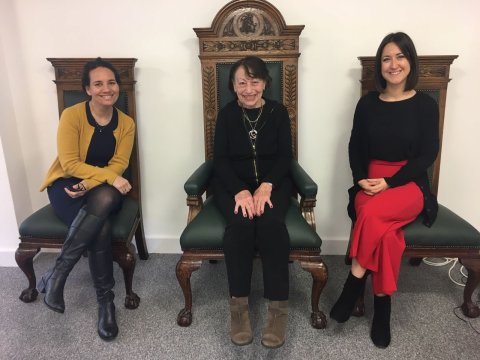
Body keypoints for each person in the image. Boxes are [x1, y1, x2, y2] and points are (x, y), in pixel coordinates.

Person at [330, 32, 439, 348]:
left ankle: (353, 282)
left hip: (408, 184)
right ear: (380, 66)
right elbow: (355, 146)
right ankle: (382, 311)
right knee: (387, 234)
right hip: (371, 180)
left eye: (400, 56)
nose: (394, 64)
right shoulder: (367, 104)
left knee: (374, 213)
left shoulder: (425, 106)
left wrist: (391, 182)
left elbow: (427, 155)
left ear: (410, 61)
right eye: (387, 58)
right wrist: (361, 177)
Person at [38, 58, 135, 341]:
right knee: (101, 225)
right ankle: (106, 302)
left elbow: (119, 163)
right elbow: (68, 164)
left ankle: (57, 273)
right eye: (98, 83)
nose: (107, 88)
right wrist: (88, 183)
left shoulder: (126, 123)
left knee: (104, 197)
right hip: (66, 187)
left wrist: (91, 183)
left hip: (100, 188)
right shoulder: (72, 115)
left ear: (118, 86)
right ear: (87, 89)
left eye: (112, 82)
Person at [213, 56, 293, 348]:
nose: (249, 89)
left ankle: (278, 310)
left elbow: (286, 156)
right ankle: (239, 309)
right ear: (233, 86)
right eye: (241, 82)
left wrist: (266, 186)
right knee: (240, 224)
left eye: (254, 81)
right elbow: (220, 160)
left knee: (272, 225)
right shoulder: (226, 116)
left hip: (274, 184)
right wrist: (240, 190)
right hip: (232, 186)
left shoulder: (278, 112)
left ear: (265, 83)